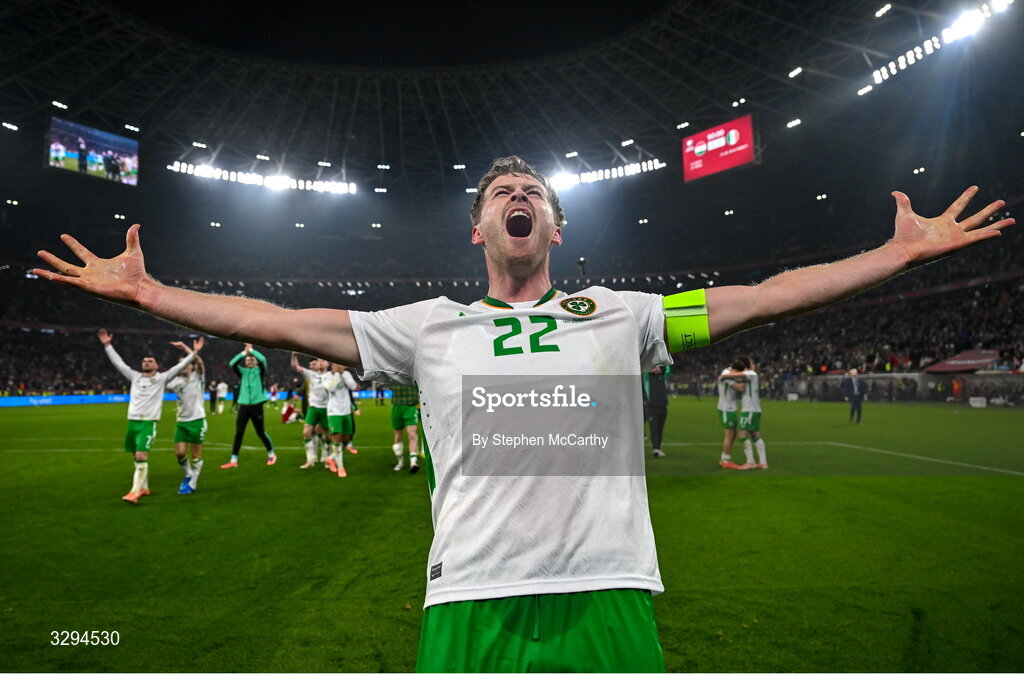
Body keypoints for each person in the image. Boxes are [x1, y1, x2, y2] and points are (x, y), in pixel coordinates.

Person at [36, 156, 1012, 671]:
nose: (519, 194)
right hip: (469, 604)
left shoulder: (625, 315)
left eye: (534, 191)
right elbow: (278, 321)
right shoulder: (427, 327)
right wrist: (154, 296)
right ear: (479, 228)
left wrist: (893, 257)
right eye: (503, 189)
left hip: (608, 593)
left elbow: (766, 295)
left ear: (555, 226)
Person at [96, 328, 200, 504]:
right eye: (144, 361)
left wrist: (194, 353)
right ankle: (144, 487)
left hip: (147, 423)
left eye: (150, 361)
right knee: (135, 456)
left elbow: (180, 367)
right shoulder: (135, 377)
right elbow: (118, 363)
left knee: (141, 455)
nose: (146, 362)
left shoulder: (162, 378)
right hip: (132, 422)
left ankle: (134, 492)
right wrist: (107, 345)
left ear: (156, 366)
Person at [221, 343, 276, 468]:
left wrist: (251, 350)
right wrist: (243, 353)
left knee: (260, 432)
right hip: (244, 406)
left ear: (256, 362)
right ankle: (233, 460)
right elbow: (232, 364)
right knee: (239, 432)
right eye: (247, 360)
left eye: (252, 359)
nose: (250, 361)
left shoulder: (260, 371)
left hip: (257, 406)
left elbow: (263, 360)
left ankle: (271, 454)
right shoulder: (242, 372)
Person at [166, 345, 208, 493]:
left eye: (186, 363)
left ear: (191, 366)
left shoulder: (197, 376)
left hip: (197, 421)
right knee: (180, 454)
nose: (183, 366)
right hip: (181, 422)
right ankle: (189, 473)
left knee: (196, 454)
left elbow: (200, 362)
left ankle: (193, 483)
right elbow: (162, 382)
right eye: (180, 364)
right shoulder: (175, 382)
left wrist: (186, 348)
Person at [720, 356, 768, 469]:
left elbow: (737, 375)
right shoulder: (749, 374)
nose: (754, 364)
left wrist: (725, 375)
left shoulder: (751, 373)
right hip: (754, 409)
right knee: (755, 434)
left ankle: (750, 462)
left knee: (742, 434)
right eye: (752, 363)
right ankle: (763, 462)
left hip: (749, 409)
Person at [292, 353, 331, 468]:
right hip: (313, 408)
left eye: (323, 360)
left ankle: (327, 457)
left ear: (328, 364)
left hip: (326, 408)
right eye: (319, 361)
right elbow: (296, 367)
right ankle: (310, 460)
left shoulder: (331, 376)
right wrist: (294, 356)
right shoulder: (311, 374)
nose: (320, 362)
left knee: (327, 435)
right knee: (306, 432)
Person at [323, 363, 360, 477]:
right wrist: (338, 374)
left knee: (346, 439)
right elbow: (331, 388)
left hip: (346, 411)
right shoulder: (327, 376)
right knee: (337, 437)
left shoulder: (347, 374)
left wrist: (343, 373)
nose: (338, 365)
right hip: (334, 412)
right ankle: (341, 467)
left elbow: (354, 387)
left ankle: (330, 458)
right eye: (335, 364)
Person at [716, 358, 746, 469]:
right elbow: (740, 388)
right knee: (729, 435)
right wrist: (745, 379)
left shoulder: (728, 374)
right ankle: (726, 461)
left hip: (730, 408)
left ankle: (724, 458)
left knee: (732, 434)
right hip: (725, 409)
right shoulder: (727, 375)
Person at [389, 382, 421, 473]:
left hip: (411, 406)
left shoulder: (414, 369)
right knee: (398, 435)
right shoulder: (394, 369)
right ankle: (400, 462)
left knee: (412, 434)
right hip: (397, 406)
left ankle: (413, 463)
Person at [642, 365, 671, 458]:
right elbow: (644, 370)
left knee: (660, 429)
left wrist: (663, 364)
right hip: (651, 408)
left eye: (658, 367)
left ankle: (658, 448)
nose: (656, 368)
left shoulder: (663, 378)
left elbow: (668, 370)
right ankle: (655, 449)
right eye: (654, 367)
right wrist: (651, 367)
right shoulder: (647, 379)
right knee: (654, 429)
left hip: (663, 407)